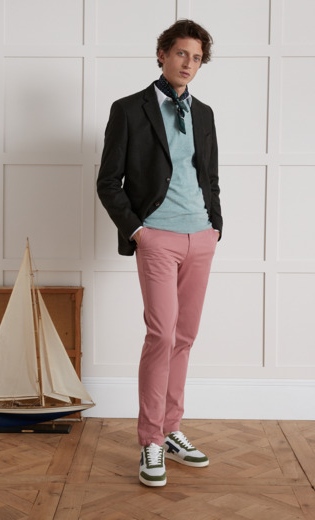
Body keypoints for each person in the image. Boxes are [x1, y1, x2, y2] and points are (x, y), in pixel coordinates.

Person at [97, 19, 223, 487]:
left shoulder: (204, 113)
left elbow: (210, 177)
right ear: (162, 55)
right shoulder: (130, 109)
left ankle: (172, 430)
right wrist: (138, 232)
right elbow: (108, 182)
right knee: (161, 336)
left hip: (200, 238)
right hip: (157, 239)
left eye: (197, 57)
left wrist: (215, 225)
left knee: (185, 337)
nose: (188, 63)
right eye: (181, 53)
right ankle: (150, 439)